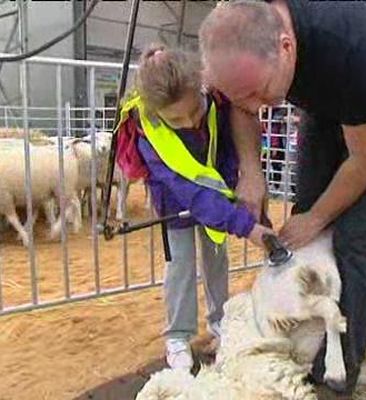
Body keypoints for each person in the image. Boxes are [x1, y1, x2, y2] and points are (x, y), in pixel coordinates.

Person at [198, 0, 366, 394]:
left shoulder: (354, 49)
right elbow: (242, 107)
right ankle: (302, 340)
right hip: (319, 95)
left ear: (285, 47)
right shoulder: (247, 39)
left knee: (355, 233)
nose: (253, 106)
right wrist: (252, 171)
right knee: (304, 213)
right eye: (239, 95)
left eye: (260, 93)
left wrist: (317, 218)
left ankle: (343, 370)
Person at [115, 44, 273, 371]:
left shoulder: (216, 103)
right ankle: (177, 335)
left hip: (217, 196)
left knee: (217, 257)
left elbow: (228, 151)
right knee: (181, 265)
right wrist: (245, 225)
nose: (188, 122)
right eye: (176, 119)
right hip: (175, 204)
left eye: (193, 111)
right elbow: (188, 190)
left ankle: (221, 322)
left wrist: (235, 190)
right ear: (156, 112)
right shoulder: (149, 132)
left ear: (200, 86)